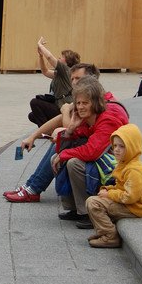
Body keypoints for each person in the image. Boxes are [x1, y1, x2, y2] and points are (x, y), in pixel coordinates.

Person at [4, 63, 103, 203]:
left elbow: (70, 128)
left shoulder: (96, 101)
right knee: (59, 136)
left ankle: (33, 189)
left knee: (62, 141)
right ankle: (31, 185)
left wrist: (65, 112)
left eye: (78, 78)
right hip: (91, 145)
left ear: (91, 80)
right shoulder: (84, 99)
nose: (74, 82)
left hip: (102, 154)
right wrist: (33, 136)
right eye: (72, 79)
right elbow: (61, 121)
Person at [49, 77, 129, 227]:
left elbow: (92, 152)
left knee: (73, 163)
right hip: (102, 163)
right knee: (55, 157)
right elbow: (65, 147)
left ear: (95, 103)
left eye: (85, 103)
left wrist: (64, 155)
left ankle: (88, 212)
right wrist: (70, 129)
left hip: (117, 170)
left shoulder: (108, 119)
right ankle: (74, 208)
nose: (80, 107)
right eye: (78, 103)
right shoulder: (87, 119)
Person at [86, 124, 142, 248]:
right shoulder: (125, 163)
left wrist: (109, 194)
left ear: (133, 147)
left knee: (93, 203)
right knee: (97, 199)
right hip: (129, 204)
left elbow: (129, 197)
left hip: (134, 207)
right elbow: (121, 187)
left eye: (122, 146)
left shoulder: (134, 170)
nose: (116, 149)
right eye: (115, 145)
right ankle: (103, 232)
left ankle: (110, 236)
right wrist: (108, 189)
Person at [28, 38, 80, 126]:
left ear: (67, 62)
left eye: (62, 57)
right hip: (58, 105)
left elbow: (49, 57)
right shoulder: (61, 73)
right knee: (32, 115)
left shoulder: (66, 70)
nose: (59, 58)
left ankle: (45, 130)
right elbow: (45, 71)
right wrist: (41, 56)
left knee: (34, 102)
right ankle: (51, 127)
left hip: (63, 108)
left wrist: (40, 45)